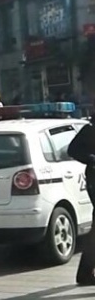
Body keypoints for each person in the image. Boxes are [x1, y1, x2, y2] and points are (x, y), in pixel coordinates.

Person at [67, 120, 95, 285]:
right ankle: (85, 273)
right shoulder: (90, 129)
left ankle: (85, 273)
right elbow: (73, 150)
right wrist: (92, 159)